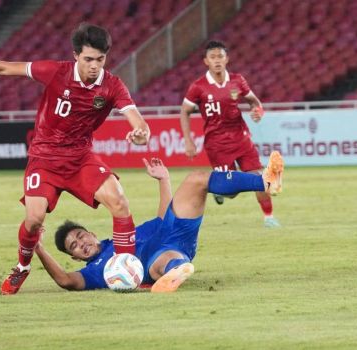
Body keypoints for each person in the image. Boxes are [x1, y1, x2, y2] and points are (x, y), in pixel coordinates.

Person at [0, 23, 150, 294]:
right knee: (34, 219)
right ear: (76, 55)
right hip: (44, 158)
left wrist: (140, 134)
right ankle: (22, 267)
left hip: (80, 158)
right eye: (88, 59)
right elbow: (5, 67)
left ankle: (128, 270)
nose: (94, 66)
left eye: (100, 60)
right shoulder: (56, 71)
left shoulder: (112, 86)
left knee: (119, 202)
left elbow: (138, 122)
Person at [34, 151, 284, 293]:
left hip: (171, 233)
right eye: (74, 247)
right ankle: (175, 271)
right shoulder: (94, 272)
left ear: (90, 233)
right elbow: (65, 280)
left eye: (80, 236)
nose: (81, 244)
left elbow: (163, 219)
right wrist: (38, 248)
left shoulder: (126, 235)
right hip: (163, 255)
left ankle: (265, 181)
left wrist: (163, 180)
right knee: (160, 261)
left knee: (196, 179)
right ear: (75, 257)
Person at [180, 41, 280, 228]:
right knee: (231, 191)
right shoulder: (198, 87)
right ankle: (217, 188)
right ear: (206, 61)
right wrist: (188, 140)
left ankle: (269, 218)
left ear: (227, 59)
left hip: (241, 138)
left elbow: (254, 102)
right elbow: (184, 111)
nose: (217, 60)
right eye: (213, 57)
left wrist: (258, 111)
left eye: (220, 56)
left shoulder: (237, 81)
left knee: (258, 176)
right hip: (217, 145)